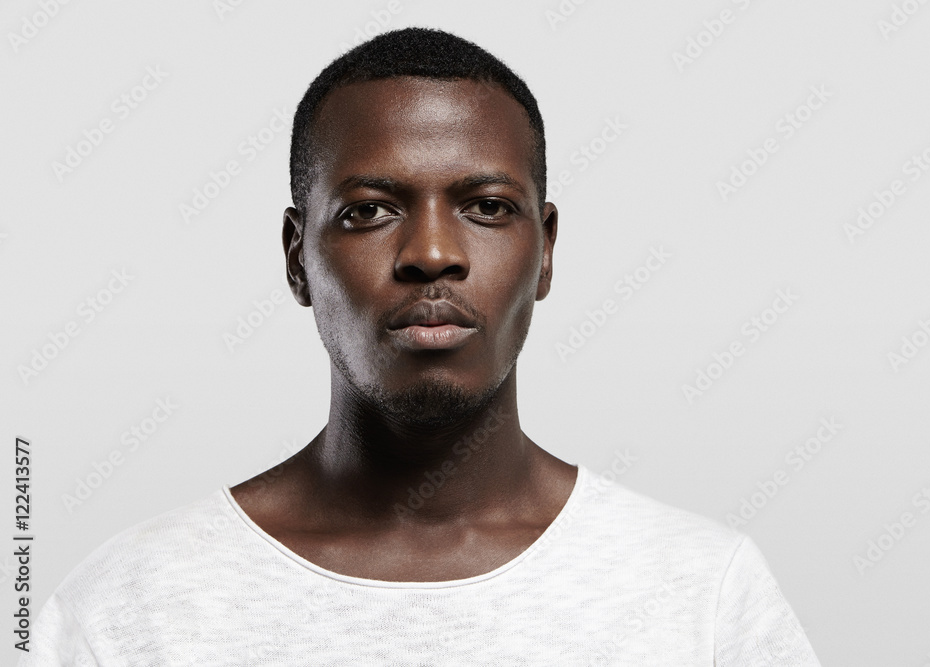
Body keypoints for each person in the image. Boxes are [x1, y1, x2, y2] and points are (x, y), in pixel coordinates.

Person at [23, 28, 821, 665]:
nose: (432, 251)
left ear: (545, 252)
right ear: (297, 257)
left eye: (486, 206)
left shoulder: (702, 597)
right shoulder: (130, 609)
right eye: (370, 210)